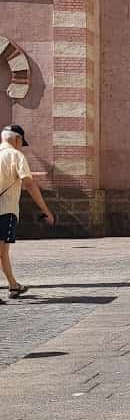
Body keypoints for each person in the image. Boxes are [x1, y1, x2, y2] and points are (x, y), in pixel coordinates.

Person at [0, 124, 54, 302]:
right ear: (17, 139)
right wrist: (45, 210)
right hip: (5, 210)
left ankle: (13, 285)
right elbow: (29, 184)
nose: (21, 145)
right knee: (2, 251)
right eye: (22, 142)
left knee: (3, 252)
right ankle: (13, 285)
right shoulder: (16, 155)